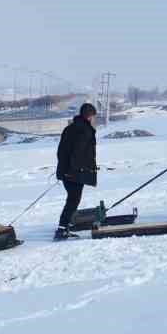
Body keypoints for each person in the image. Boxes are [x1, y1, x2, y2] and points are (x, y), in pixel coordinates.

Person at [54, 102, 99, 239]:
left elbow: (61, 151)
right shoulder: (84, 130)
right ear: (90, 116)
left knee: (72, 199)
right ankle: (62, 229)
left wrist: (64, 169)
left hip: (67, 171)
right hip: (74, 173)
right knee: (73, 200)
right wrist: (75, 170)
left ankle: (64, 227)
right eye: (93, 116)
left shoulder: (70, 128)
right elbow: (78, 153)